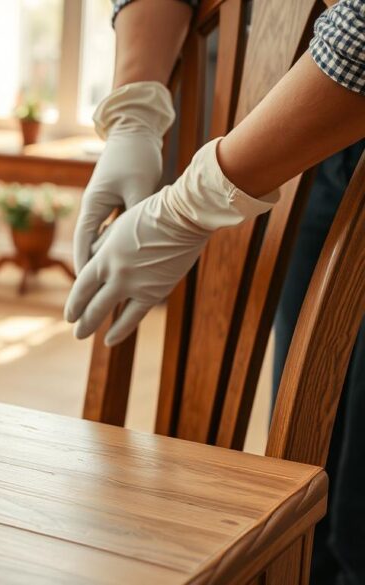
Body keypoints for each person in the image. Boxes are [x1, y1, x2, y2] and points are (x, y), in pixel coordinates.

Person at [66, 1, 365, 583]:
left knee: (359, 510)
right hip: (316, 128)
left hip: (334, 92)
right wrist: (134, 112)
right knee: (311, 463)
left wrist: (188, 206)